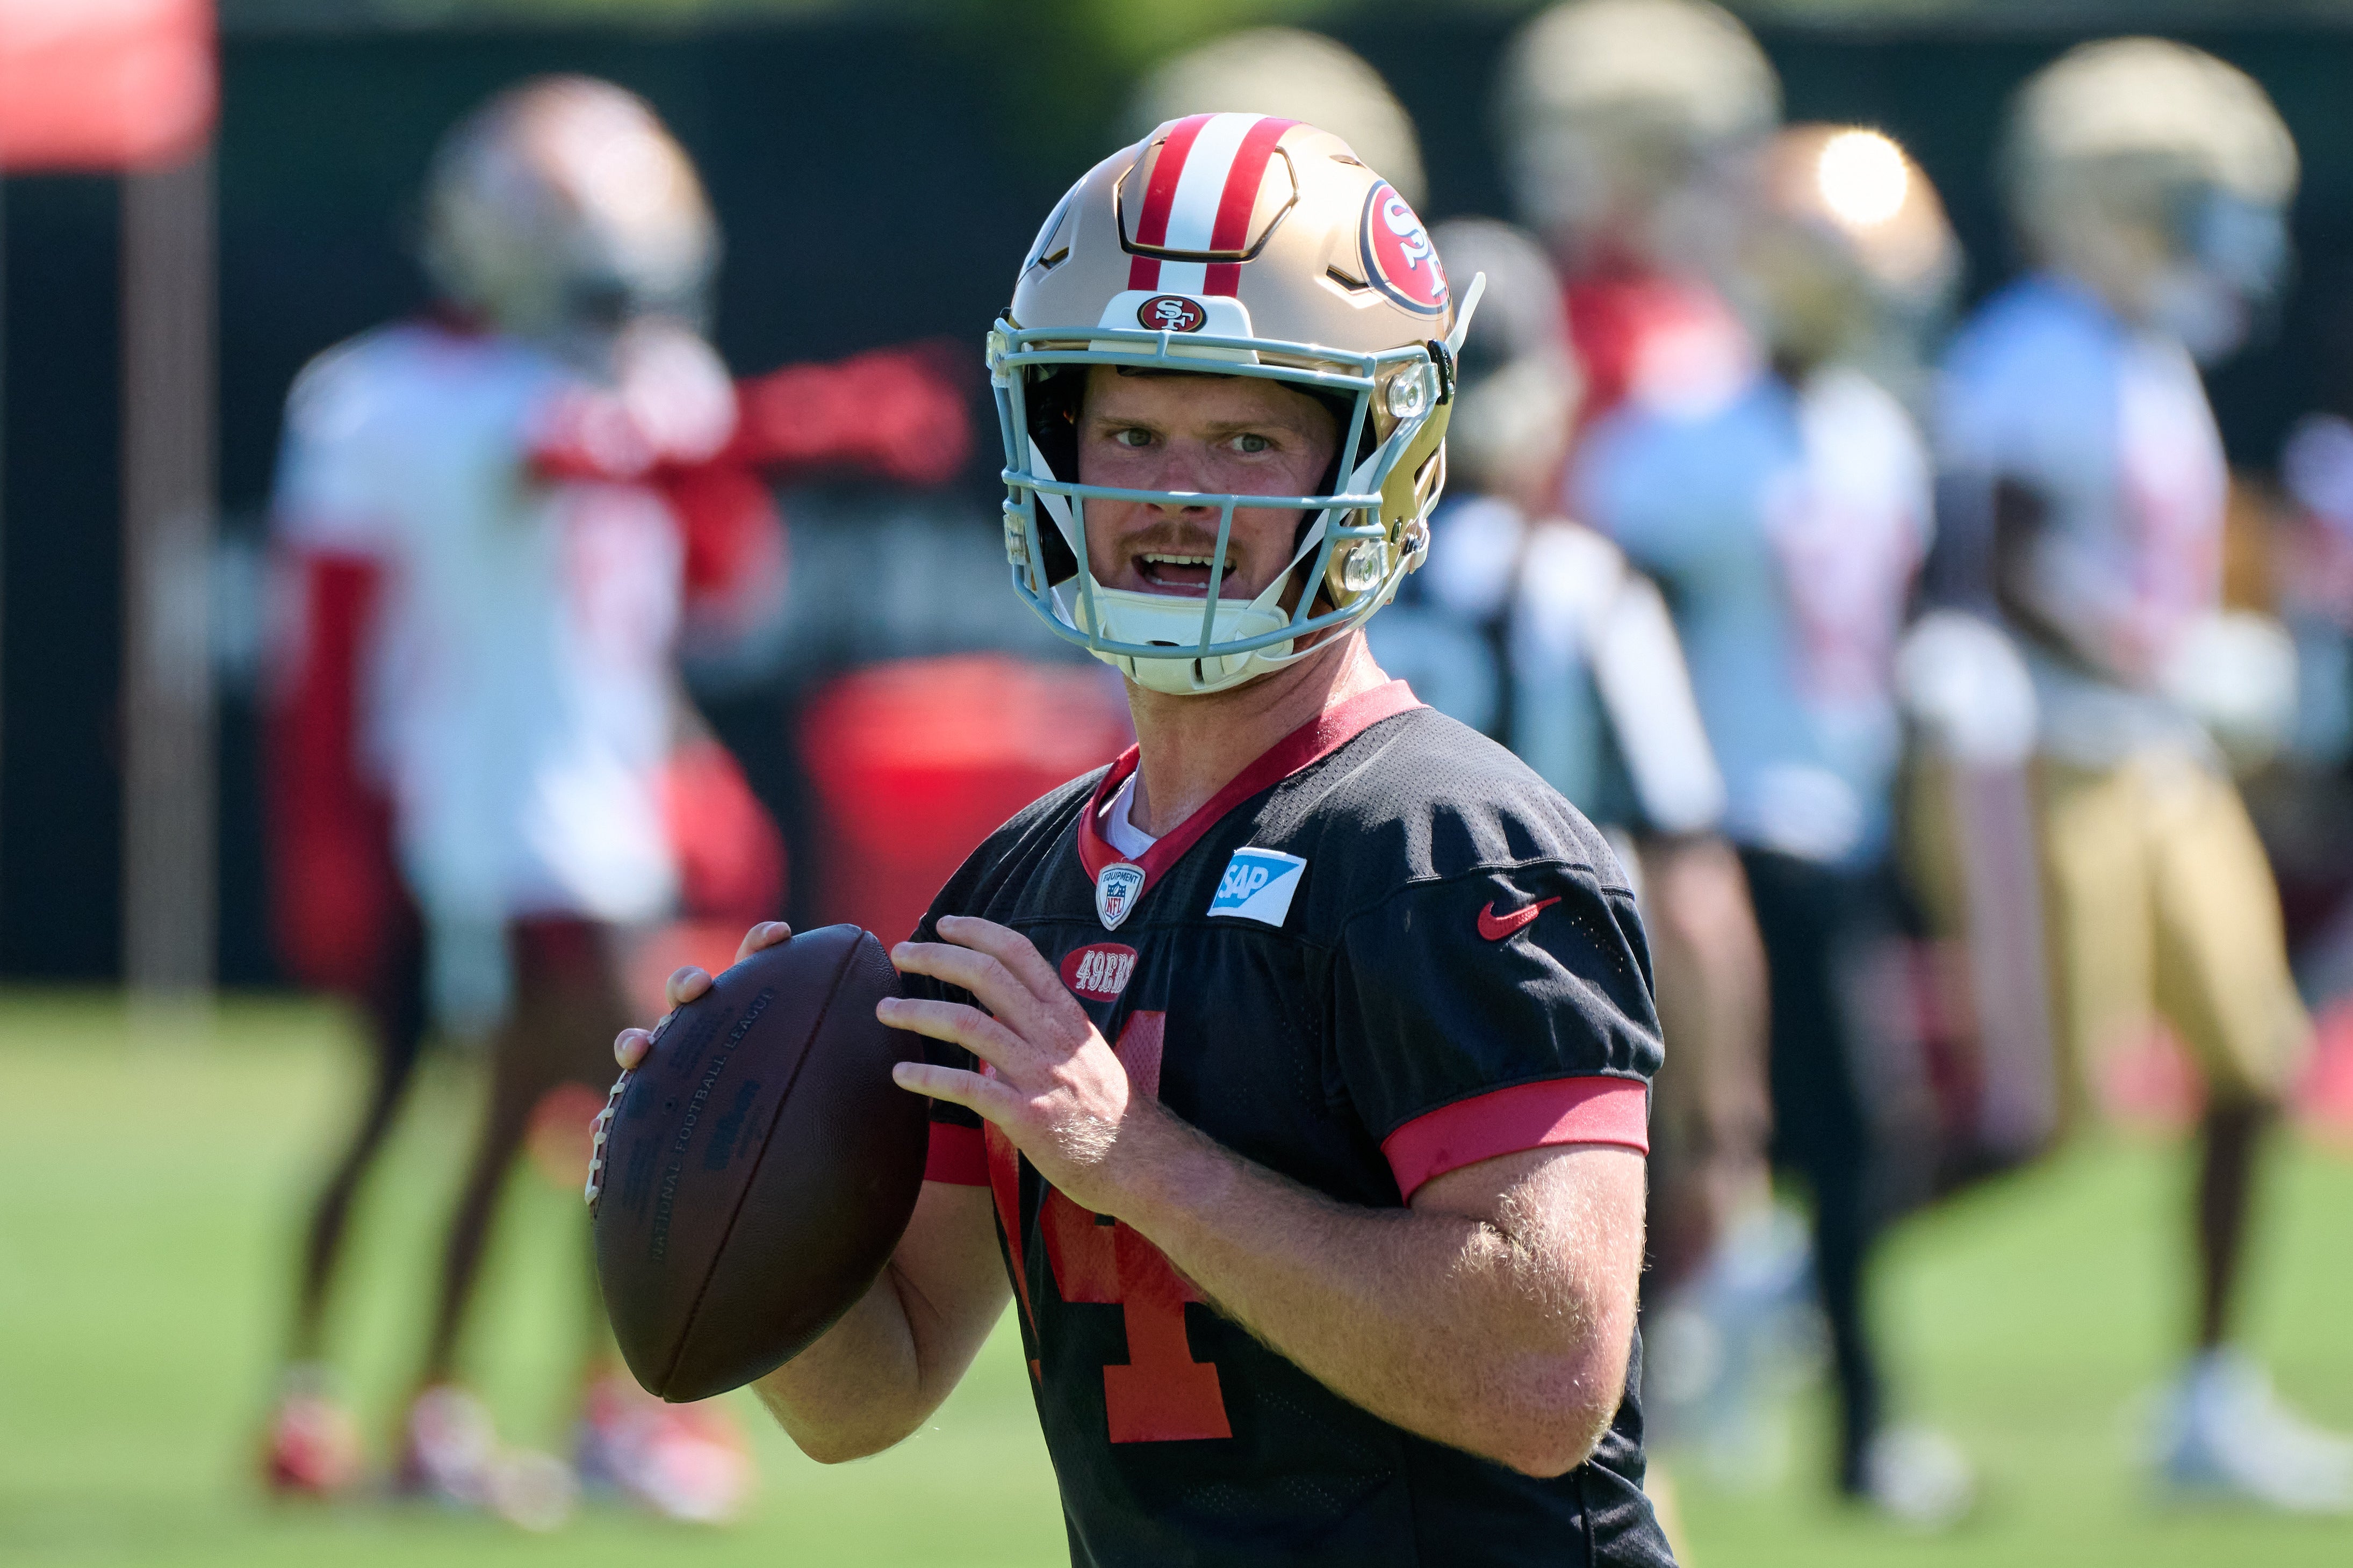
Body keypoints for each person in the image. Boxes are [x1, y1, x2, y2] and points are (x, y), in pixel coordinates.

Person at [620, 115, 1672, 1564]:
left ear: (1379, 457)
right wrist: (722, 1182)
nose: (1176, 494)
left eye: (1245, 440)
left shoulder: (1447, 851)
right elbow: (874, 1393)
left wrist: (1135, 1159)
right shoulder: (1021, 885)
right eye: (1129, 434)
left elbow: (1542, 1379)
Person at [258, 75, 966, 1522]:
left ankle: (491, 1410)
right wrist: (819, 419)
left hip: (595, 806)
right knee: (557, 1111)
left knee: (578, 1112)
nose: (621, 314)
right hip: (476, 809)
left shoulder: (639, 379)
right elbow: (574, 464)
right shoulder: (429, 398)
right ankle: (414, 1403)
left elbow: (706, 581)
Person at [1933, 38, 2353, 1512]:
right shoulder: (2032, 352)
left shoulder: (2146, 353)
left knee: (2255, 1061)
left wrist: (2211, 666)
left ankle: (2206, 1402)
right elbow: (2001, 563)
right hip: (2057, 751)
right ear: (2111, 204)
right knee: (2048, 1115)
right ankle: (1784, 1277)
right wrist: (2164, 664)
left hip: (2157, 756)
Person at [1572, 122, 1970, 1524]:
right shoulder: (1679, 436)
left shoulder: (1876, 434)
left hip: (1835, 828)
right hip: (1717, 832)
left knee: (1854, 1145)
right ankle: (1633, 1421)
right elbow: (1620, 637)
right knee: (1677, 1142)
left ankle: (1850, 1432)